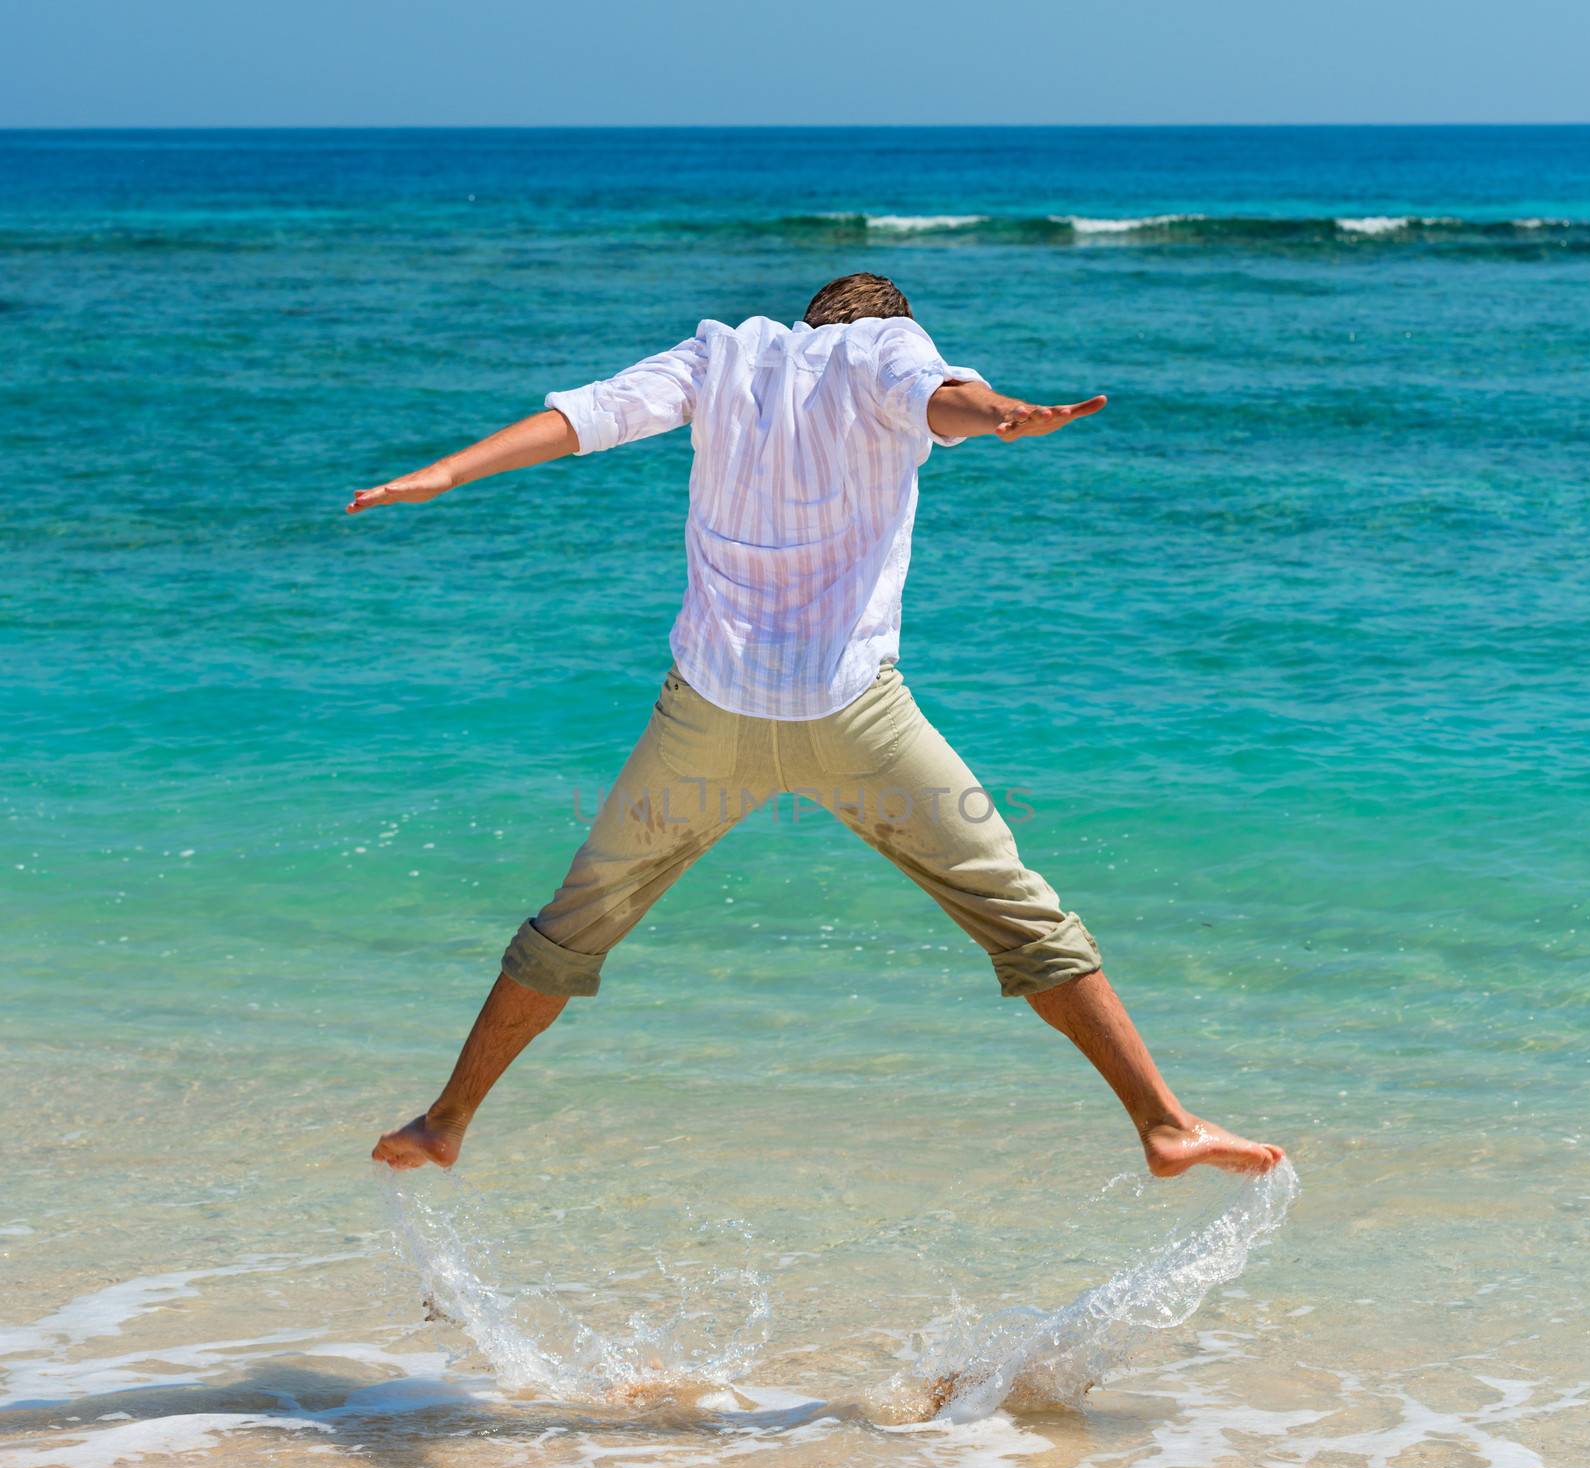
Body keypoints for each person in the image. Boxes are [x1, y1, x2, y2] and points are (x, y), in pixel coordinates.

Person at [352, 272, 1284, 1181]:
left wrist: (448, 471)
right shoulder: (887, 341)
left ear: (809, 321)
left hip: (708, 718)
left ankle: (444, 1122)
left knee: (572, 927)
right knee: (1021, 915)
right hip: (853, 716)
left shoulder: (720, 354)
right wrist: (1001, 412)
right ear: (886, 320)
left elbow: (590, 418)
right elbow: (940, 397)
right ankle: (1164, 1126)